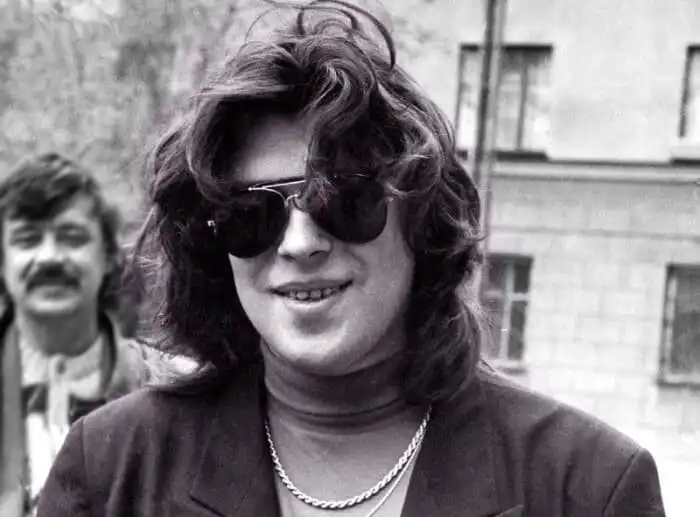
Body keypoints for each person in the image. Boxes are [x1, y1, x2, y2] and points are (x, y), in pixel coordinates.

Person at [37, 1, 666, 516]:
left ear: (420, 216)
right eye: (250, 214)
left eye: (344, 198)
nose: (299, 242)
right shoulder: (112, 472)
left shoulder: (588, 487)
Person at [0, 152, 145, 516]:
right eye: (27, 239)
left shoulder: (176, 388)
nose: (49, 257)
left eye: (72, 237)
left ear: (109, 255)